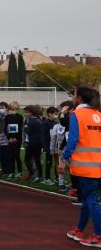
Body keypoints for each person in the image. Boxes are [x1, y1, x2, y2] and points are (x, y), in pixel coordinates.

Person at [63, 87, 101, 245]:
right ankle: (79, 229)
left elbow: (72, 140)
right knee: (88, 199)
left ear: (79, 98)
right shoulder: (98, 114)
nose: (73, 97)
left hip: (85, 166)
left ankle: (98, 236)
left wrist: (64, 157)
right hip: (97, 165)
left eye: (74, 94)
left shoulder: (77, 115)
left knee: (92, 201)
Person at [23, 105, 45, 183]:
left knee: (27, 159)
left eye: (28, 112)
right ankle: (40, 176)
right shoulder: (40, 120)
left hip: (32, 143)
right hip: (39, 143)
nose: (26, 114)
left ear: (31, 113)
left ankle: (32, 174)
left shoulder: (32, 121)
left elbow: (28, 132)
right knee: (37, 159)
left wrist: (26, 128)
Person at [5, 101, 24, 178]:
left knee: (17, 155)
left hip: (17, 139)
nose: (13, 111)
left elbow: (20, 129)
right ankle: (11, 171)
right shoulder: (7, 117)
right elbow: (5, 128)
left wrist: (16, 138)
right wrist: (9, 138)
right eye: (12, 109)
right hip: (10, 139)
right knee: (11, 156)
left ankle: (19, 171)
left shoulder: (20, 117)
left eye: (15, 109)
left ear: (17, 109)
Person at [42, 107, 59, 185]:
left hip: (56, 146)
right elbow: (44, 136)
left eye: (56, 114)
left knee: (57, 163)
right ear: (49, 114)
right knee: (49, 162)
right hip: (49, 147)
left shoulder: (56, 123)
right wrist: (45, 147)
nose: (56, 116)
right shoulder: (45, 123)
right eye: (55, 114)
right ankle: (47, 178)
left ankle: (57, 178)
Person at [0, 102, 12, 178]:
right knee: (1, 157)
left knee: (6, 157)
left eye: (2, 108)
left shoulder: (8, 117)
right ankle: (4, 170)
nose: (1, 110)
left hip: (6, 140)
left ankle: (7, 171)